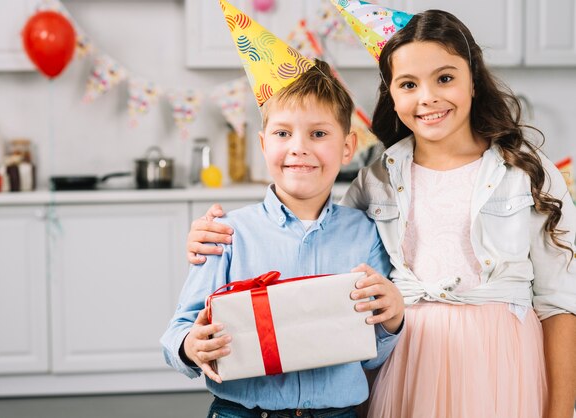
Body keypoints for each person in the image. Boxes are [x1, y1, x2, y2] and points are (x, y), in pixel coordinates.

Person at [186, 4, 576, 418]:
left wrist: (559, 411)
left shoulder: (528, 174)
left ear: (473, 80)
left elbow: (560, 303)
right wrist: (212, 235)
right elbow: (319, 246)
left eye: (445, 78)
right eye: (408, 84)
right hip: (404, 366)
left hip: (502, 364)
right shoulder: (377, 180)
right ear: (390, 92)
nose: (428, 98)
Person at [162, 2, 405, 417]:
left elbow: (371, 357)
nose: (299, 147)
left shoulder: (366, 234)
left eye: (318, 133)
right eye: (282, 132)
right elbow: (179, 331)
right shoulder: (226, 234)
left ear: (348, 147)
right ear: (263, 145)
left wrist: (392, 320)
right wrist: (190, 345)